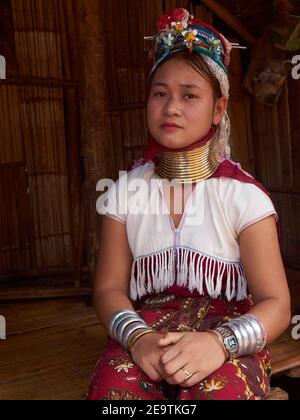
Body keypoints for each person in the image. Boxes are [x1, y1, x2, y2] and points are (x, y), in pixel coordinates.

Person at [87, 8, 291, 400]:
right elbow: (108, 288)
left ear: (218, 109)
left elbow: (277, 303)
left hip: (227, 339)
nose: (172, 107)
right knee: (113, 391)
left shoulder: (243, 197)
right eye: (160, 93)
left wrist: (220, 343)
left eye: (190, 95)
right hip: (146, 335)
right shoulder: (126, 191)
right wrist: (138, 338)